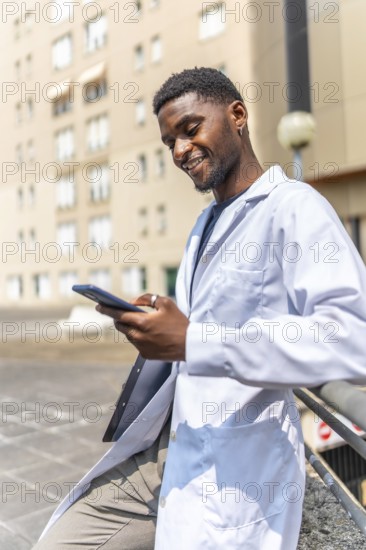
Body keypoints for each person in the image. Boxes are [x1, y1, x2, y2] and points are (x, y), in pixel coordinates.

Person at [34, 67, 366, 549]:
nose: (181, 150)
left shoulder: (295, 209)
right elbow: (208, 321)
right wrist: (164, 317)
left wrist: (193, 339)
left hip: (234, 464)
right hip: (165, 445)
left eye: (191, 130)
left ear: (237, 115)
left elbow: (351, 339)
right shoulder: (205, 223)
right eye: (170, 143)